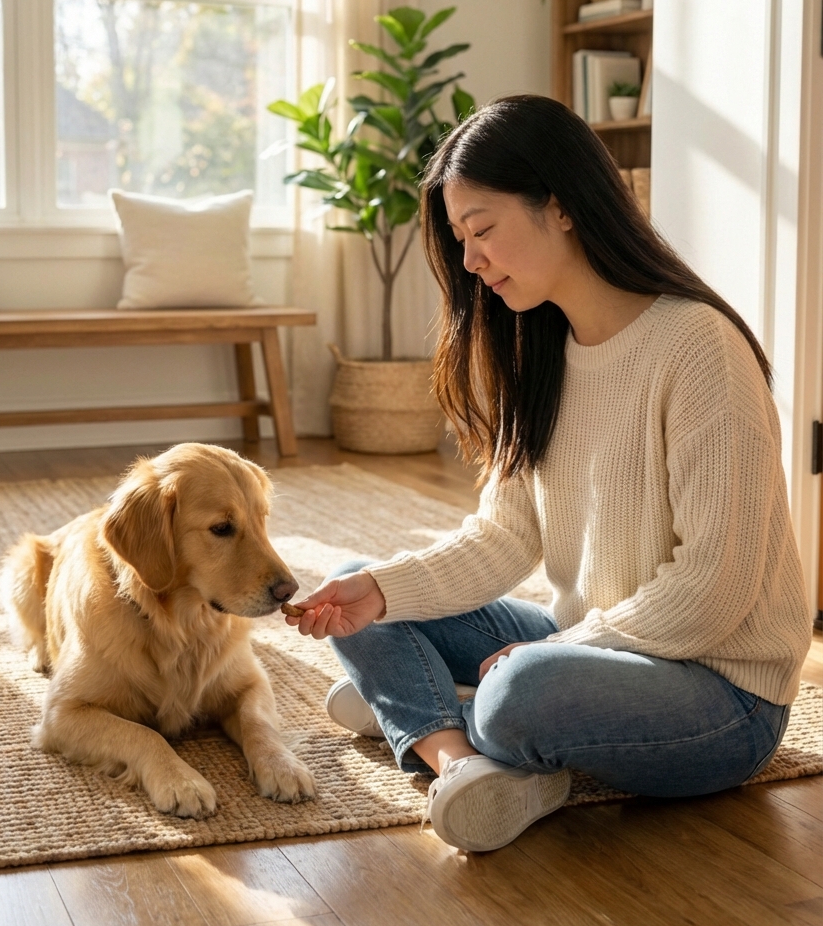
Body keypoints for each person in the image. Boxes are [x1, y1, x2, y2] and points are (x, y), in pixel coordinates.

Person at [285, 94, 812, 853]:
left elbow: (713, 589)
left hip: (720, 694)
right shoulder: (537, 352)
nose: (471, 261)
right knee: (363, 587)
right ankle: (461, 761)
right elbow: (505, 537)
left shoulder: (699, 348)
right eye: (462, 239)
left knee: (519, 692)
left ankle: (430, 708)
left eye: (484, 230)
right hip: (594, 644)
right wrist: (384, 591)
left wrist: (559, 655)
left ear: (560, 207)